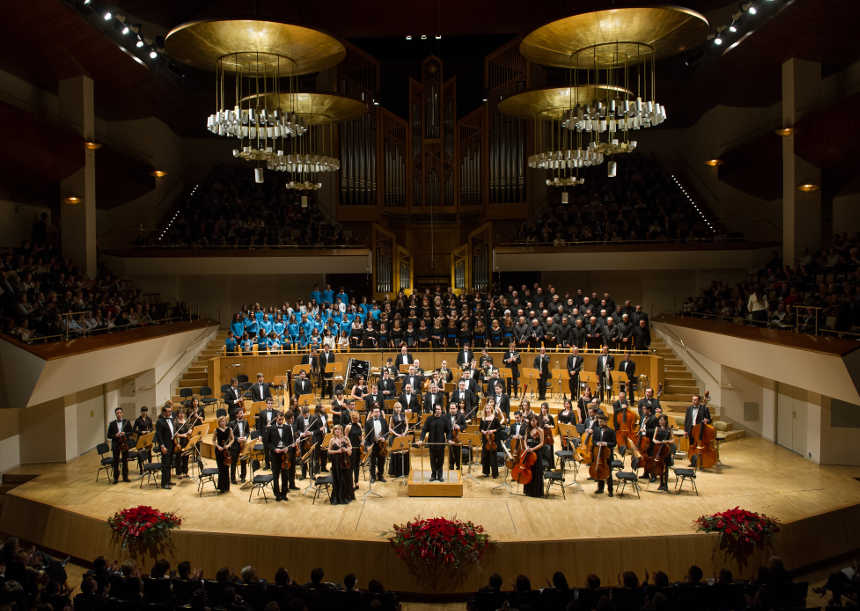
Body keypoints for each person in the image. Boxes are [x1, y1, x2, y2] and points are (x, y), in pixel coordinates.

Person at [420, 404, 452, 482]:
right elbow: (424, 430)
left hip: (441, 444)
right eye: (436, 409)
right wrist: (421, 439)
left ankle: (440, 475)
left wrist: (449, 439)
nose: (438, 411)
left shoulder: (445, 419)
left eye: (439, 409)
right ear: (434, 410)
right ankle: (433, 475)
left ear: (441, 410)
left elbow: (448, 431)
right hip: (432, 443)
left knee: (441, 460)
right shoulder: (429, 419)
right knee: (432, 460)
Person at [268, 411, 293, 501]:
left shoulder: (287, 428)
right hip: (275, 454)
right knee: (276, 475)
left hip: (284, 455)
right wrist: (274, 449)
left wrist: (287, 448)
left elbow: (291, 442)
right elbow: (268, 443)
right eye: (279, 419)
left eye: (282, 419)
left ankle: (284, 494)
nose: (281, 421)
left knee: (285, 475)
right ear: (276, 418)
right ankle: (277, 494)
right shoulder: (271, 428)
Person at [328, 425, 355, 504]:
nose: (337, 430)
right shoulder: (332, 440)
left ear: (341, 430)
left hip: (345, 462)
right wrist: (337, 451)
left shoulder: (346, 438)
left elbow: (351, 448)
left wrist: (346, 449)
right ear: (333, 431)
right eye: (335, 429)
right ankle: (337, 497)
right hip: (336, 463)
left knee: (345, 479)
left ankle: (345, 496)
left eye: (339, 429)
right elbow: (329, 451)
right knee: (337, 479)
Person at [591, 414, 616, 497]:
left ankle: (610, 491)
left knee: (608, 474)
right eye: (599, 422)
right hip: (598, 454)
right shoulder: (596, 430)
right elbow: (593, 440)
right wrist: (596, 443)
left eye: (601, 422)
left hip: (607, 456)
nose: (600, 423)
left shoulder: (611, 431)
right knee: (599, 471)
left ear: (606, 422)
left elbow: (614, 443)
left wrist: (606, 443)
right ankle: (600, 488)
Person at [684, 394, 712, 466]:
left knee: (700, 446)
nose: (693, 401)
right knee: (692, 446)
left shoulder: (704, 409)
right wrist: (686, 430)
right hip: (691, 429)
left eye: (695, 400)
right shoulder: (689, 408)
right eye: (693, 400)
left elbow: (709, 420)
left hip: (700, 430)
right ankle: (693, 462)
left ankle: (701, 461)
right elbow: (686, 420)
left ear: (699, 401)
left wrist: (707, 420)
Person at [364, 407, 388, 483]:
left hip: (381, 444)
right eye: (375, 412)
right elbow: (366, 435)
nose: (377, 413)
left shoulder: (384, 421)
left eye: (378, 412)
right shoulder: (368, 422)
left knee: (382, 460)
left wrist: (384, 438)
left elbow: (386, 432)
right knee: (372, 462)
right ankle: (373, 477)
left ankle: (380, 475)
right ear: (372, 413)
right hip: (373, 444)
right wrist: (368, 445)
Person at [523, 414, 545, 498]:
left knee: (536, 472)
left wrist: (533, 449)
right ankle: (528, 491)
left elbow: (541, 443)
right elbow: (525, 440)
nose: (533, 422)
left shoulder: (540, 430)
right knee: (528, 471)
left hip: (536, 454)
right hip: (528, 453)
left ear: (537, 421)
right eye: (531, 421)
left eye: (534, 420)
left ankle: (536, 492)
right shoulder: (527, 429)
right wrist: (526, 447)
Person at [106, 407, 131, 484]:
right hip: (116, 444)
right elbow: (108, 435)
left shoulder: (127, 422)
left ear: (122, 413)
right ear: (115, 414)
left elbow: (131, 432)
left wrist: (125, 433)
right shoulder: (112, 424)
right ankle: (116, 478)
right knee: (116, 461)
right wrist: (115, 435)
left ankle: (125, 477)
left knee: (125, 461)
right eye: (117, 413)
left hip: (124, 443)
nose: (119, 414)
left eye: (120, 413)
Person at [155, 403, 176, 489]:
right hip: (165, 446)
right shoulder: (160, 422)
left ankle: (168, 480)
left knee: (169, 464)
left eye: (170, 411)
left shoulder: (171, 420)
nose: (170, 413)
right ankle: (164, 483)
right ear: (164, 412)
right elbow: (159, 435)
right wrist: (162, 446)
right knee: (165, 465)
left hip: (171, 445)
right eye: (168, 411)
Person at [388, 402, 410, 478]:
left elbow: (407, 426)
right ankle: (397, 472)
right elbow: (390, 428)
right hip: (396, 436)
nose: (398, 409)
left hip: (403, 435)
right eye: (396, 407)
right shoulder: (392, 417)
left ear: (401, 408)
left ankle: (405, 472)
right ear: (394, 408)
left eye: (399, 407)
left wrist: (404, 433)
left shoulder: (404, 415)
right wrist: (397, 434)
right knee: (397, 454)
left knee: (404, 453)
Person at [651, 415, 673, 492]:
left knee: (666, 468)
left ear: (666, 421)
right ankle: (661, 484)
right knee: (660, 467)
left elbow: (672, 440)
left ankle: (665, 485)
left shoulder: (669, 429)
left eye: (662, 420)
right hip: (658, 449)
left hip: (665, 451)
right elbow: (653, 439)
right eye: (660, 420)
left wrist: (666, 441)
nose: (660, 421)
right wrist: (656, 441)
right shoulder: (657, 428)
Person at [213, 415, 234, 493]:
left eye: (224, 421)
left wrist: (228, 445)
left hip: (227, 451)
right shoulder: (216, 430)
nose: (223, 423)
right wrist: (218, 446)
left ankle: (226, 487)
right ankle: (221, 487)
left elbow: (232, 439)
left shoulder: (229, 429)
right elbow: (213, 440)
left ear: (226, 422)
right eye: (221, 421)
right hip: (219, 451)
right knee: (221, 469)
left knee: (226, 468)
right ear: (219, 422)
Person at [255, 399, 279, 469]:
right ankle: (267, 465)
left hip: (273, 434)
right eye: (269, 403)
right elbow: (259, 425)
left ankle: (274, 465)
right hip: (265, 434)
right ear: (266, 404)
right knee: (266, 450)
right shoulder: (262, 413)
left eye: (271, 403)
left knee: (273, 450)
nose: (270, 405)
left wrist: (272, 426)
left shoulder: (276, 412)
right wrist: (259, 435)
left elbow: (278, 424)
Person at [480, 402, 500, 478]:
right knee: (485, 456)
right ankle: (486, 472)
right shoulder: (483, 418)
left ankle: (495, 473)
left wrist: (493, 430)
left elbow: (499, 428)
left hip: (493, 440)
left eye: (489, 408)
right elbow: (480, 428)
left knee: (493, 457)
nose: (488, 410)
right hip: (485, 440)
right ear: (485, 410)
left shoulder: (495, 418)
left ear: (491, 409)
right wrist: (483, 431)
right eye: (486, 408)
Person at [230, 408, 250, 484]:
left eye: (242, 413)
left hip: (243, 444)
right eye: (240, 413)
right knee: (234, 462)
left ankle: (243, 477)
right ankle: (233, 478)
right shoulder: (232, 423)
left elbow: (248, 432)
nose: (242, 414)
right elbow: (230, 435)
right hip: (235, 445)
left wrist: (245, 437)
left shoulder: (246, 422)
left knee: (243, 461)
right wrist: (237, 439)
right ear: (237, 415)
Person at [132, 406, 153, 471]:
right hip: (140, 438)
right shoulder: (138, 420)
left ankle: (150, 467)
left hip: (147, 438)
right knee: (140, 453)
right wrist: (141, 432)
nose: (144, 413)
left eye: (145, 411)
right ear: (141, 412)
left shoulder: (149, 419)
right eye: (143, 411)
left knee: (149, 453)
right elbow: (134, 430)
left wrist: (149, 431)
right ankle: (141, 468)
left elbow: (152, 428)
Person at [345, 411, 363, 489]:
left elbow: (360, 436)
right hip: (352, 449)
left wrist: (362, 441)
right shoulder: (348, 427)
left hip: (358, 448)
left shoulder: (359, 425)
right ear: (352, 418)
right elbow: (346, 438)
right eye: (356, 419)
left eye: (358, 418)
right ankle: (350, 482)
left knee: (357, 466)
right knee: (351, 466)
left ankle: (356, 481)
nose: (357, 420)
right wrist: (349, 446)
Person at [447, 403, 466, 471]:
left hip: (457, 437)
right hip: (449, 437)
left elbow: (465, 425)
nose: (452, 410)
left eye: (453, 408)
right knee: (450, 453)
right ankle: (451, 466)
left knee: (458, 453)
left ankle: (459, 466)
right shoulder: (447, 416)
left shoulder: (461, 416)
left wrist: (459, 427)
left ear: (457, 409)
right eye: (451, 408)